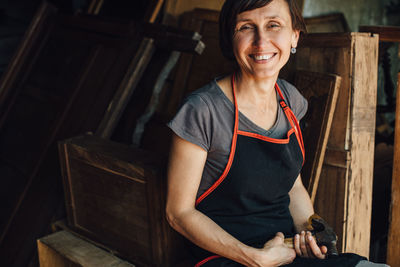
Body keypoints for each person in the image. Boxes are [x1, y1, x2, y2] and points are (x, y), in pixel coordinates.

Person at [165, 0, 389, 266]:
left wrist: (307, 232)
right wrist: (255, 258)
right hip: (222, 257)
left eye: (274, 25)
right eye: (246, 27)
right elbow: (178, 213)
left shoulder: (291, 100)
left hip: (284, 252)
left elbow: (292, 186)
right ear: (230, 38)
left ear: (294, 35)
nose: (261, 41)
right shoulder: (203, 110)